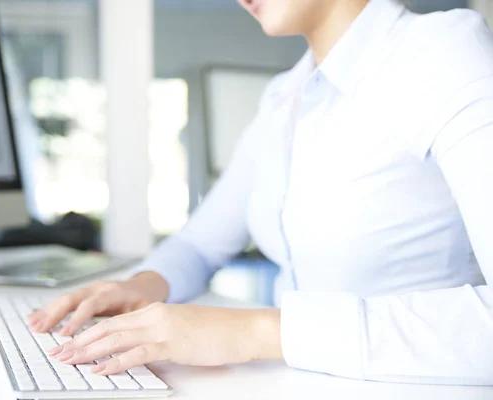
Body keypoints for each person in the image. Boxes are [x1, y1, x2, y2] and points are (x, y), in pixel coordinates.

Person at [29, 0, 493, 385]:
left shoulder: (444, 52)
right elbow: (200, 243)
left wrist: (253, 331)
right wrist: (140, 287)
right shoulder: (283, 97)